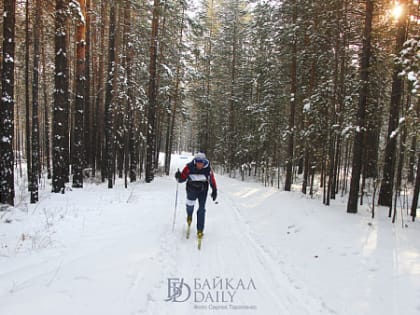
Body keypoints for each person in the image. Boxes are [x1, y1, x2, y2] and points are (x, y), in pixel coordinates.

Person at [175, 152, 217, 238]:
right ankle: (189, 215)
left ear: (204, 162)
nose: (199, 164)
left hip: (203, 191)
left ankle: (200, 230)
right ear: (195, 161)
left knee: (201, 209)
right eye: (198, 162)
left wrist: (214, 190)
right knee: (190, 206)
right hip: (191, 190)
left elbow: (212, 180)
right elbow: (182, 179)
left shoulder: (208, 169)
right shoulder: (189, 167)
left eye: (201, 162)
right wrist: (178, 176)